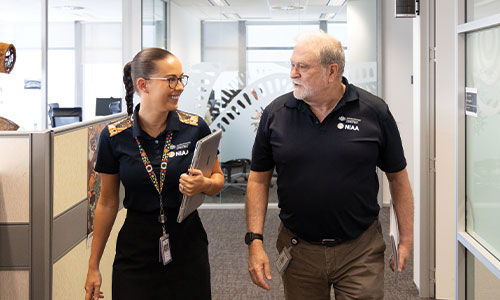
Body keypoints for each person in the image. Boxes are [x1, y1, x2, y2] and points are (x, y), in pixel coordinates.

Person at [245, 31, 414, 300]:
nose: (293, 74)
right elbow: (258, 180)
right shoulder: (276, 115)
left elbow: (398, 177)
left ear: (332, 71)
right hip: (299, 249)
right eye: (292, 65)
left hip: (360, 249)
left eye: (302, 67)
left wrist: (405, 239)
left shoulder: (374, 112)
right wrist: (254, 240)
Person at [84, 48, 224, 300]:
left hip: (186, 243)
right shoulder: (114, 136)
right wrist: (93, 265)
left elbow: (217, 180)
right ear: (143, 85)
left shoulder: (194, 128)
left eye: (182, 78)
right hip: (136, 248)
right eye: (171, 79)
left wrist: (203, 184)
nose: (180, 86)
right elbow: (106, 202)